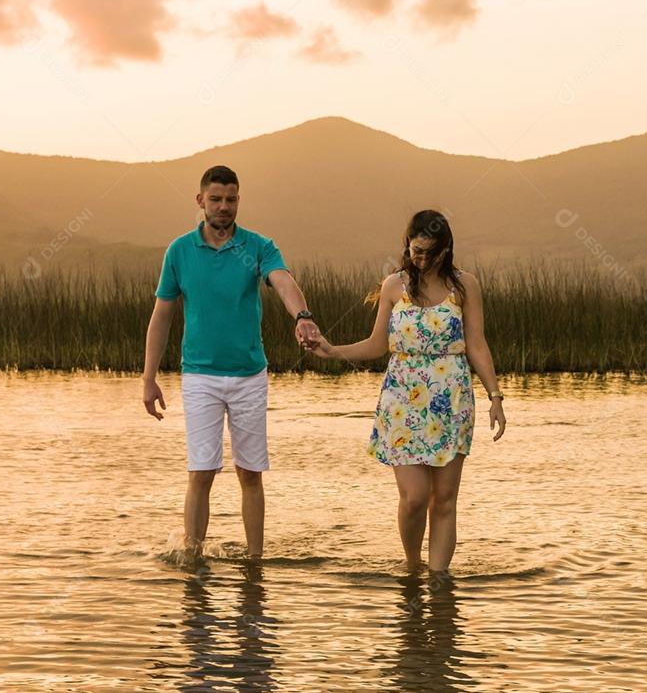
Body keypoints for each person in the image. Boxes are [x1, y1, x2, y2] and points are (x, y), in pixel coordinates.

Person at [310, 210, 506, 574]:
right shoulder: (394, 286)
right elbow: (376, 344)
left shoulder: (465, 286)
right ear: (407, 245)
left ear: (445, 251)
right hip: (402, 400)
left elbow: (476, 344)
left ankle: (438, 580)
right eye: (416, 251)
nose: (421, 259)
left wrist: (496, 397)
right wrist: (332, 350)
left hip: (452, 399)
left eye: (430, 253)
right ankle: (413, 568)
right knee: (415, 498)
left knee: (444, 501)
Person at [142, 165, 319, 559]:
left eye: (231, 199)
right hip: (200, 376)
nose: (224, 207)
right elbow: (162, 317)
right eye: (217, 199)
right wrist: (149, 378)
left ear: (239, 200)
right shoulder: (180, 251)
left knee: (250, 473)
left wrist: (302, 317)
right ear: (200, 200)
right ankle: (192, 558)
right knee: (201, 472)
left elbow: (283, 281)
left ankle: (255, 562)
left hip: (249, 376)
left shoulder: (257, 247)